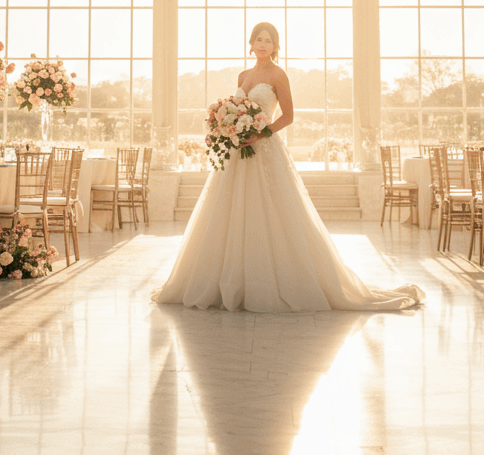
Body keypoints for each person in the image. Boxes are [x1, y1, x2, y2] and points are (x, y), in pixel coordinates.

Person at [154, 21, 424, 313]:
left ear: (275, 45)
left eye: (268, 40)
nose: (262, 44)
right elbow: (234, 107)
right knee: (229, 213)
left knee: (270, 212)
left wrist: (260, 132)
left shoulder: (277, 74)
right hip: (237, 153)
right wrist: (227, 126)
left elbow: (289, 116)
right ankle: (229, 283)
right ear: (251, 42)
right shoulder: (244, 74)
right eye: (258, 39)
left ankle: (270, 282)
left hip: (264, 150)